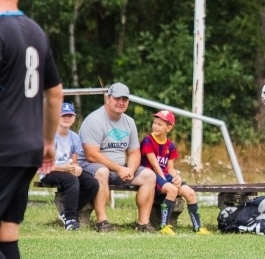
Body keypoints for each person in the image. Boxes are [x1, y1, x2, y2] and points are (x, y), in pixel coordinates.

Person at [0, 0, 63, 259]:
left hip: (2, 148)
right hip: (27, 148)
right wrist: (48, 141)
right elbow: (54, 94)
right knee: (6, 235)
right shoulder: (36, 32)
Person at [78, 82, 158, 232]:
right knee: (103, 172)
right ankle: (102, 222)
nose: (121, 103)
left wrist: (131, 169)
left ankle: (143, 224)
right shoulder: (94, 120)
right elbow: (91, 154)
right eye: (117, 99)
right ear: (108, 98)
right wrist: (119, 168)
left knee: (149, 176)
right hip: (91, 167)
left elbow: (134, 152)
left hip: (119, 168)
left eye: (125, 99)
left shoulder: (129, 122)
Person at [141, 110, 211, 236]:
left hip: (165, 176)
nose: (155, 126)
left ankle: (198, 227)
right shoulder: (148, 141)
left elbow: (170, 169)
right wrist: (168, 183)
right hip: (151, 176)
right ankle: (164, 226)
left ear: (169, 128)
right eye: (154, 123)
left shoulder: (170, 145)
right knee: (172, 190)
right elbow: (155, 166)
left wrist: (177, 178)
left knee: (190, 193)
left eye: (159, 124)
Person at [39, 102, 101, 230]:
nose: (67, 118)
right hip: (49, 171)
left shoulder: (74, 137)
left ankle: (68, 212)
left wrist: (76, 168)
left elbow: (74, 160)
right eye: (63, 115)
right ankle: (70, 219)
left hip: (66, 170)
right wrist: (65, 169)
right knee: (72, 180)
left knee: (92, 183)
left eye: (70, 115)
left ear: (74, 118)